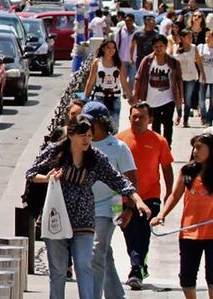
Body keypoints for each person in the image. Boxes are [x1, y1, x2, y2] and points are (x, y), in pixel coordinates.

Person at [27, 116, 149, 299]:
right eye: (82, 135)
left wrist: (137, 200)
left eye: (90, 135)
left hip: (83, 218)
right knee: (58, 270)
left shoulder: (96, 158)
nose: (87, 139)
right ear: (71, 135)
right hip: (57, 217)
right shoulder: (55, 152)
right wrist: (47, 179)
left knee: (85, 264)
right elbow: (31, 173)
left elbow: (118, 180)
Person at [82, 101, 137, 299]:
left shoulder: (119, 147)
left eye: (89, 122)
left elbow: (131, 179)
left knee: (97, 252)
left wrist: (129, 209)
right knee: (104, 252)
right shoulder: (81, 143)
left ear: (101, 122)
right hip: (83, 205)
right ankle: (116, 295)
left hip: (110, 203)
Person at [119, 102, 175, 289]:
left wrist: (169, 193)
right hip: (124, 197)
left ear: (150, 119)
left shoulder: (159, 141)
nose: (137, 120)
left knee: (143, 233)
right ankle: (139, 265)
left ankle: (136, 270)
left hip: (150, 196)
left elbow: (166, 168)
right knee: (128, 233)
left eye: (141, 117)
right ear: (129, 117)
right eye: (134, 116)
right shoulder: (120, 140)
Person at [151, 131, 213, 299]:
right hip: (189, 232)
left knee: (212, 277)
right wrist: (162, 214)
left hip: (212, 233)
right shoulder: (187, 171)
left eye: (200, 148)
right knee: (186, 277)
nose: (195, 151)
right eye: (194, 148)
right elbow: (175, 195)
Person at [134, 34, 184, 144]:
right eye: (156, 46)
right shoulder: (147, 61)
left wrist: (180, 97)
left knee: (168, 124)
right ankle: (157, 146)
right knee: (155, 125)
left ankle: (167, 146)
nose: (158, 49)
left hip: (168, 99)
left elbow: (179, 79)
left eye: (161, 46)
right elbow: (138, 78)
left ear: (166, 46)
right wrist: (135, 95)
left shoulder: (173, 62)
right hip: (151, 100)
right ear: (153, 47)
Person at [84, 38, 130, 130]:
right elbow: (91, 80)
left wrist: (130, 96)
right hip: (100, 96)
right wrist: (85, 98)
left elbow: (124, 81)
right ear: (103, 48)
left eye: (113, 48)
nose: (111, 50)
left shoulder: (118, 62)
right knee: (99, 125)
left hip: (115, 97)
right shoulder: (97, 62)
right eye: (108, 47)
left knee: (114, 125)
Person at [177, 29, 207, 128]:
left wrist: (202, 73)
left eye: (191, 37)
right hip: (179, 77)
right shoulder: (176, 48)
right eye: (188, 37)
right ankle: (179, 114)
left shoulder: (194, 48)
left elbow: (198, 61)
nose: (191, 39)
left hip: (191, 77)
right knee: (177, 98)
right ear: (182, 38)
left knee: (187, 99)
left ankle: (185, 119)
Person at [116, 13, 140, 88]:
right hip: (122, 58)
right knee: (123, 77)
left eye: (130, 20)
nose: (128, 22)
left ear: (133, 21)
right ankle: (124, 92)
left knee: (132, 77)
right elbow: (116, 43)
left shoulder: (138, 31)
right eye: (126, 20)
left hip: (134, 58)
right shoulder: (120, 31)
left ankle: (130, 93)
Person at [201, 32, 213, 126]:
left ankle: (209, 119)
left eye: (209, 37)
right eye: (206, 36)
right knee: (201, 100)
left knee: (212, 101)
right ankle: (203, 117)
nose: (207, 38)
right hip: (203, 77)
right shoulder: (201, 47)